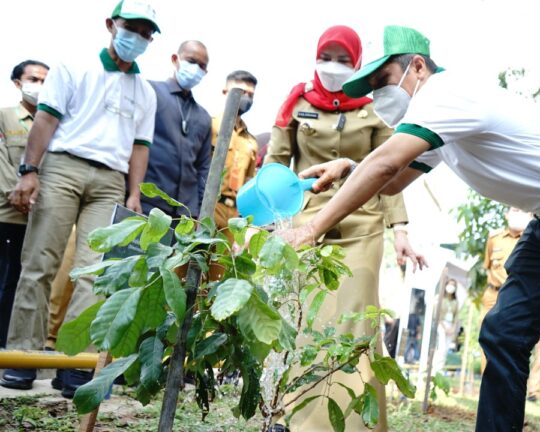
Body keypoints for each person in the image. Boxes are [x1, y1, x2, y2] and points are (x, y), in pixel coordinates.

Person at [280, 25, 540, 431]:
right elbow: (392, 180)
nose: (378, 94)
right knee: (504, 333)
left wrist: (310, 229)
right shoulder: (434, 117)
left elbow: (384, 164)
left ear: (417, 66)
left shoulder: (444, 94)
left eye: (383, 81)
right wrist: (349, 168)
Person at [264, 25, 425, 432]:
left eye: (343, 59)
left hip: (362, 225)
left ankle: (353, 424)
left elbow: (390, 167)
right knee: (303, 318)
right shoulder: (296, 102)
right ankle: (290, 416)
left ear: (357, 63)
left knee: (356, 321)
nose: (333, 66)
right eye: (327, 56)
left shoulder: (376, 108)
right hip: (305, 224)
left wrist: (400, 229)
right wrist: (268, 219)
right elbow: (275, 163)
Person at [0, 0, 159, 398]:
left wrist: (135, 193)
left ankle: (76, 364)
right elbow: (46, 119)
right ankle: (22, 356)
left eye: (145, 32)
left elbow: (140, 147)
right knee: (40, 261)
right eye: (131, 28)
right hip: (63, 166)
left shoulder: (145, 91)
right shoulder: (74, 67)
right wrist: (30, 170)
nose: (137, 38)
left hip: (110, 180)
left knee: (95, 273)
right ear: (111, 24)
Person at [0, 60, 49, 347]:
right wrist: (16, 194)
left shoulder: (54, 123)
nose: (39, 86)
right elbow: (4, 163)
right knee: (5, 281)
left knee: (26, 282)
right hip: (8, 214)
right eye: (34, 79)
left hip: (41, 217)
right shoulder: (5, 117)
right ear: (18, 83)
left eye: (45, 81)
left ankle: (17, 346)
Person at [141, 40, 211, 218]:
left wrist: (201, 212)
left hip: (184, 214)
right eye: (191, 61)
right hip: (147, 203)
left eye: (202, 66)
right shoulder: (151, 92)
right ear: (175, 59)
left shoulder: (203, 117)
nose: (196, 69)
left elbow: (203, 168)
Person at [480, 207, 528, 373]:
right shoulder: (494, 238)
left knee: (513, 341)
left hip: (518, 297)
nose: (518, 214)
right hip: (493, 294)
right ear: (506, 214)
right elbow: (487, 266)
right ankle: (487, 380)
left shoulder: (532, 239)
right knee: (486, 337)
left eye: (522, 211)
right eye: (514, 210)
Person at [211, 70, 259, 238]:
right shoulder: (210, 125)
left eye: (251, 95)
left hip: (233, 215)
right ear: (225, 92)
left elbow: (248, 181)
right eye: (241, 91)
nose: (246, 97)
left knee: (222, 263)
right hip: (209, 205)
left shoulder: (251, 142)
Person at [433, 279, 460, 373]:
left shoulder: (455, 301)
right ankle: (435, 369)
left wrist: (453, 328)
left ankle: (440, 370)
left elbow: (457, 316)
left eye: (453, 285)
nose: (451, 287)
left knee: (446, 348)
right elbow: (437, 313)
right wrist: (443, 327)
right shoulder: (440, 298)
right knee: (441, 346)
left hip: (450, 325)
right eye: (449, 284)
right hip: (441, 324)